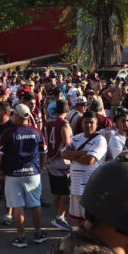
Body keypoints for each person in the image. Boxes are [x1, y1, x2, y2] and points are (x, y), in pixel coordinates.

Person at [0, 103, 48, 248]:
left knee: (17, 205)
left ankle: (21, 238)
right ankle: (38, 233)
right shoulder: (37, 132)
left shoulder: (9, 132)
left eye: (14, 114)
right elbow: (44, 152)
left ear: (18, 116)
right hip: (33, 172)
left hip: (13, 174)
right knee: (35, 203)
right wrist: (40, 167)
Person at [43, 98, 73, 231]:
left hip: (50, 159)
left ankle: (58, 215)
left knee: (56, 191)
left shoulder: (47, 122)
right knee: (67, 193)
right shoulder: (64, 124)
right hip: (62, 163)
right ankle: (59, 217)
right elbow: (67, 145)